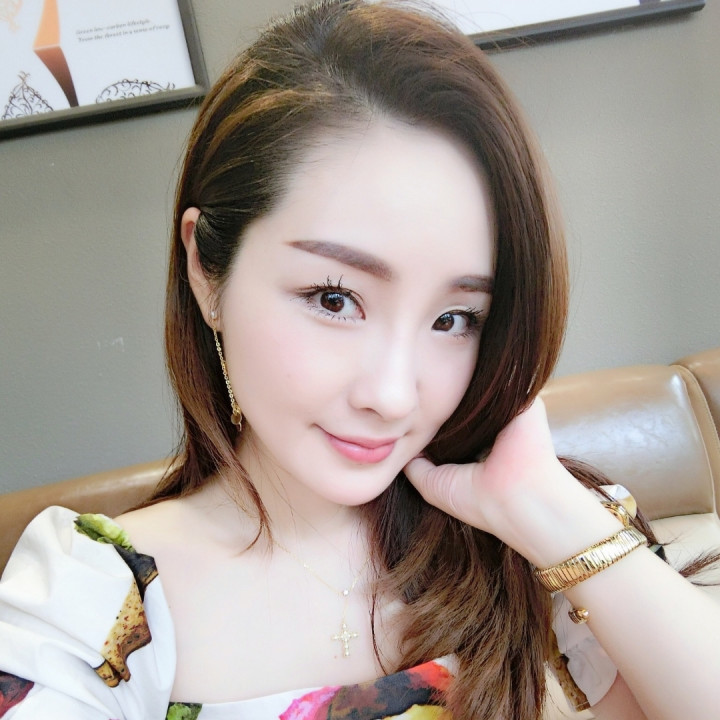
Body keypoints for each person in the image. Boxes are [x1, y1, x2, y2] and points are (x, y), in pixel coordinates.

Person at [1, 1, 718, 719]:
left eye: (453, 319)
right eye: (334, 298)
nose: (394, 394)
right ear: (206, 273)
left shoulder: (543, 546)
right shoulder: (90, 599)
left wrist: (552, 517)